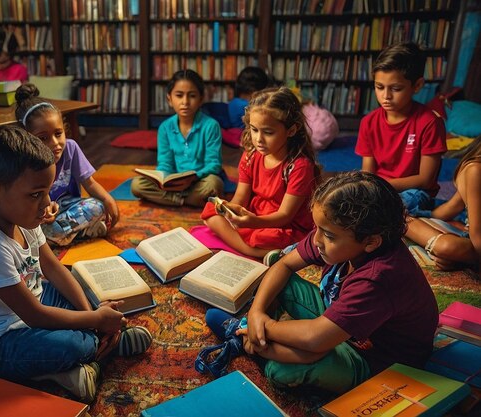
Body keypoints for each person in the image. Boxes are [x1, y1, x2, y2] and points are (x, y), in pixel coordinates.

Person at [0, 126, 151, 403]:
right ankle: (94, 353)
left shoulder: (21, 217)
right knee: (71, 344)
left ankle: (88, 352)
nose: (48, 203)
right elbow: (35, 316)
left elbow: (53, 268)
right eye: (35, 194)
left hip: (29, 303)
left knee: (82, 289)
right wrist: (95, 321)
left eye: (48, 191)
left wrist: (92, 316)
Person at [206, 171, 438, 394]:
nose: (316, 239)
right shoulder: (339, 236)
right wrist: (257, 312)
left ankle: (249, 340)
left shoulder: (378, 278)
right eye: (317, 228)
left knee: (282, 371)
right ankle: (253, 334)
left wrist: (268, 327)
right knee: (277, 273)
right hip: (339, 327)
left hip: (376, 361)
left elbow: (315, 337)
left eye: (328, 235)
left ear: (370, 242)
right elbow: (284, 264)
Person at [200, 87, 319, 258]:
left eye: (268, 132)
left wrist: (253, 222)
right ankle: (261, 252)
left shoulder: (299, 166)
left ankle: (251, 249)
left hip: (282, 224)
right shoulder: (250, 156)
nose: (258, 139)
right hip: (255, 214)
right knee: (211, 211)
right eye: (254, 130)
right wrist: (231, 211)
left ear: (291, 130)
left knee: (268, 236)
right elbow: (240, 197)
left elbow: (285, 216)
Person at [15, 83, 119, 246]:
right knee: (24, 228)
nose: (55, 143)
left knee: (96, 206)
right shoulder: (26, 159)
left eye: (58, 134)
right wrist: (44, 211)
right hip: (41, 215)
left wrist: (108, 200)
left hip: (69, 208)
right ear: (27, 137)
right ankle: (76, 233)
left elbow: (90, 183)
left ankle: (56, 238)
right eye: (43, 138)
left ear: (65, 129)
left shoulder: (70, 148)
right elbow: (24, 201)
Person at [355, 42, 447, 213]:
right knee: (341, 201)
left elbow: (426, 180)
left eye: (396, 88)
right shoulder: (368, 122)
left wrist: (379, 185)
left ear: (417, 85)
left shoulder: (429, 122)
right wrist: (366, 187)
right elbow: (368, 172)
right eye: (379, 87)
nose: (386, 96)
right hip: (378, 189)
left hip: (416, 193)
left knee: (395, 208)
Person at [131, 69, 224, 207]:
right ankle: (187, 201)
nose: (185, 102)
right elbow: (165, 163)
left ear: (201, 99)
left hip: (200, 181)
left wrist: (194, 177)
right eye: (179, 95)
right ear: (170, 99)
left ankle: (172, 200)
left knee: (213, 184)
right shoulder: (165, 127)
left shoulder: (211, 126)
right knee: (137, 185)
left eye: (192, 96)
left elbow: (214, 164)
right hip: (173, 184)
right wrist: (164, 180)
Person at [405, 137, 481, 271]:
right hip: (476, 242)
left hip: (472, 244)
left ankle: (461, 260)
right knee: (448, 246)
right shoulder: (475, 170)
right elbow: (477, 236)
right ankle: (402, 220)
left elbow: (452, 208)